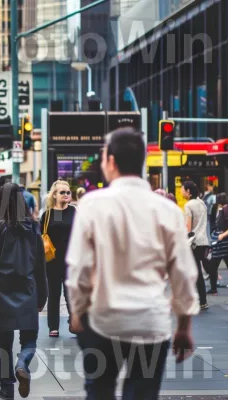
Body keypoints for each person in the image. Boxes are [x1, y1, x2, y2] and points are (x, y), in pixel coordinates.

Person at [66, 127, 199, 400]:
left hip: (103, 321)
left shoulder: (91, 205)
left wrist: (77, 312)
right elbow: (183, 274)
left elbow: (79, 269)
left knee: (99, 391)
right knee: (142, 393)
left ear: (111, 161)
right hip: (150, 323)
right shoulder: (168, 210)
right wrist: (184, 326)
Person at [0, 183, 48, 399]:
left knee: (4, 344)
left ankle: (6, 388)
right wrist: (43, 296)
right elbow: (40, 266)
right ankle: (23, 363)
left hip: (1, 292)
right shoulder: (33, 228)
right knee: (29, 339)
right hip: (28, 289)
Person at [40, 180, 76, 337]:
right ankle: (53, 326)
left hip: (71, 259)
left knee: (71, 294)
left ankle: (74, 323)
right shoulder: (47, 215)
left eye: (68, 192)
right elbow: (39, 237)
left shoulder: (74, 212)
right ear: (54, 195)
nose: (66, 195)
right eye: (62, 192)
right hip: (52, 260)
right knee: (54, 294)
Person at [182, 181, 210, 310]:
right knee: (197, 270)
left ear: (188, 191)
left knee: (194, 271)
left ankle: (196, 300)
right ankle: (202, 300)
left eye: (183, 189)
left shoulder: (189, 205)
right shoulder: (202, 203)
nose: (181, 191)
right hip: (203, 241)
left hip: (193, 242)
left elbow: (188, 226)